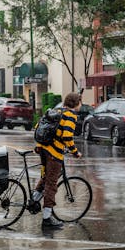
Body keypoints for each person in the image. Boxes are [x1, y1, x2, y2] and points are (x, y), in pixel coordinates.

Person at [34, 92, 82, 229]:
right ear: (76, 103)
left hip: (42, 148)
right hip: (54, 153)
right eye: (80, 102)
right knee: (51, 184)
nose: (81, 105)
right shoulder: (70, 116)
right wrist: (75, 152)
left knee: (46, 177)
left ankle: (34, 198)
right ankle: (47, 218)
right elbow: (67, 137)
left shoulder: (56, 111)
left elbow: (38, 126)